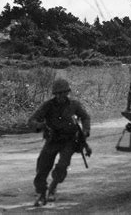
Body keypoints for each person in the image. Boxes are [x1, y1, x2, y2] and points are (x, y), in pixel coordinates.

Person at [28, 78, 91, 206]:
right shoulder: (48, 106)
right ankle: (41, 193)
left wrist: (85, 130)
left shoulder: (74, 105)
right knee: (42, 166)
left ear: (68, 93)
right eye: (58, 93)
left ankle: (53, 187)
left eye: (64, 93)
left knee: (62, 165)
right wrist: (41, 125)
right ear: (54, 94)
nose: (61, 96)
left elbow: (85, 117)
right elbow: (32, 120)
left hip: (69, 141)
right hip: (53, 140)